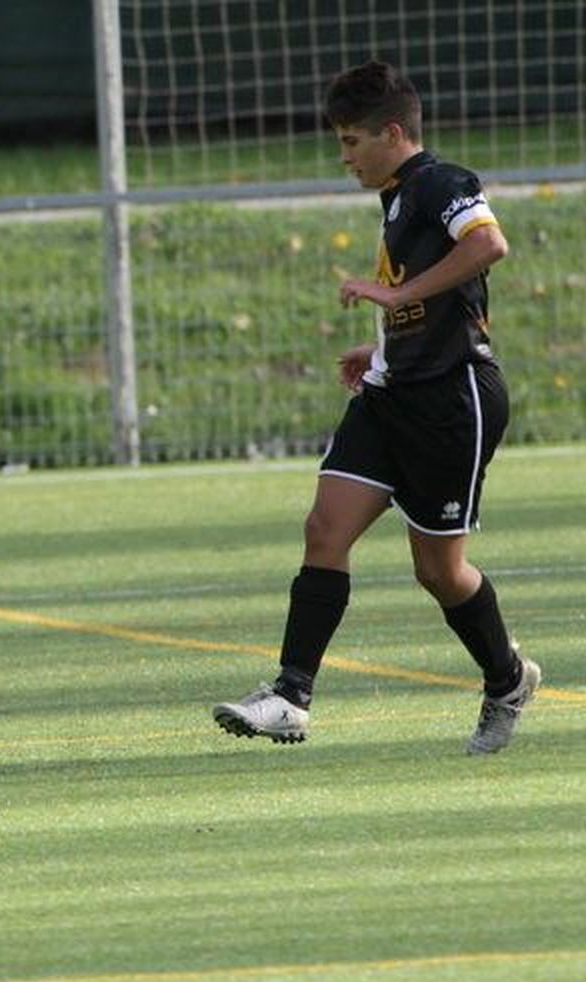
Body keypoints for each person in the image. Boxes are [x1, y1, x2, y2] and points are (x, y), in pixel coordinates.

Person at [212, 61, 539, 754]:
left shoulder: (441, 181)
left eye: (352, 142)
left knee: (439, 572)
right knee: (324, 529)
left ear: (394, 132)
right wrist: (384, 343)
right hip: (394, 391)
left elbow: (488, 244)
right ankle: (289, 696)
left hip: (454, 399)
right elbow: (427, 296)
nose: (344, 158)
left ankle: (506, 679)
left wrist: (395, 296)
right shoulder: (397, 196)